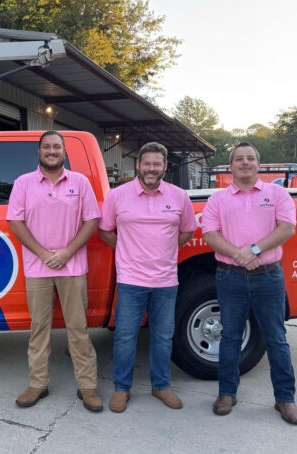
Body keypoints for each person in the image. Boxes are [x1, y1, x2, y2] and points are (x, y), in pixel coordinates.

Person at [202, 142, 297, 425]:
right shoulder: (217, 199)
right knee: (230, 337)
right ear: (230, 166)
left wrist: (253, 250)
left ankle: (285, 398)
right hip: (229, 276)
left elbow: (287, 228)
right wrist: (240, 255)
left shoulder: (277, 194)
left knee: (276, 338)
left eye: (250, 158)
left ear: (258, 164)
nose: (244, 162)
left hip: (268, 276)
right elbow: (210, 233)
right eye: (238, 159)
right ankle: (227, 394)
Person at [7, 130, 103, 412]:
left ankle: (87, 386)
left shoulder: (80, 182)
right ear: (39, 152)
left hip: (72, 266)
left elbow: (91, 221)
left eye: (56, 147)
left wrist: (67, 252)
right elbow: (16, 222)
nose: (52, 151)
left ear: (64, 152)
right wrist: (43, 254)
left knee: (78, 328)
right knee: (39, 329)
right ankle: (38, 383)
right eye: (47, 147)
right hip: (38, 268)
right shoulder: (23, 183)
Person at [98, 142, 196, 413]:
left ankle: (161, 385)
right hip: (130, 279)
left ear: (165, 167)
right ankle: (121, 388)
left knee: (163, 336)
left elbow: (187, 231)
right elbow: (105, 230)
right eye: (147, 163)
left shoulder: (179, 196)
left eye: (157, 164)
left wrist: (164, 249)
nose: (151, 169)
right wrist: (128, 250)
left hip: (166, 280)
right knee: (125, 337)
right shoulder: (118, 196)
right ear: (138, 165)